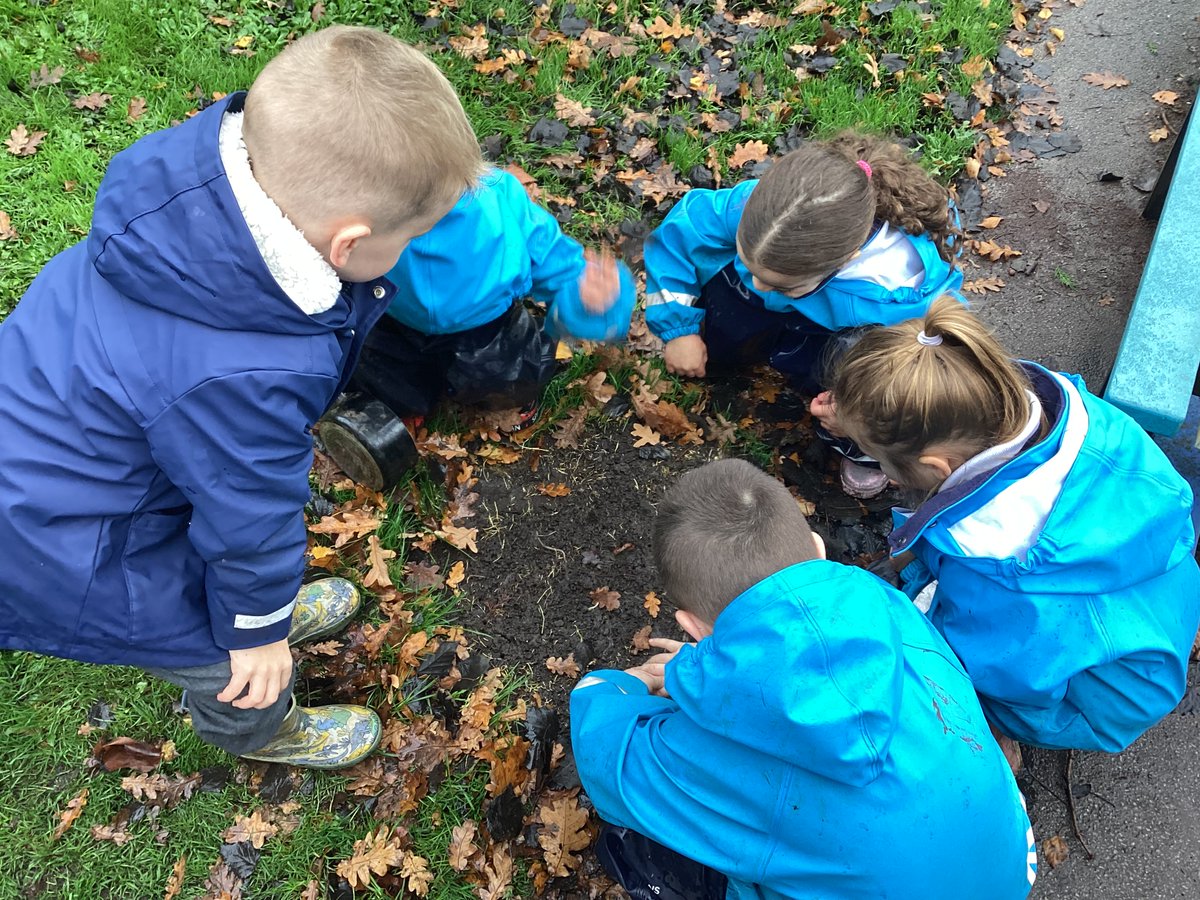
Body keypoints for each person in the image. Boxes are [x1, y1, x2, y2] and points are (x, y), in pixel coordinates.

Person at [0, 26, 484, 768]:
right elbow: (247, 514)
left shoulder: (206, 196)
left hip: (70, 450)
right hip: (70, 545)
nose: (410, 252)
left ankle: (260, 620)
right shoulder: (244, 372)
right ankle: (259, 729)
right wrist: (256, 629)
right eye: (409, 238)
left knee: (226, 580)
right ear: (346, 246)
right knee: (218, 654)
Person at [571, 459, 1037, 900]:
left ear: (691, 626)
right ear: (817, 548)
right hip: (1008, 869)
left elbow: (604, 754)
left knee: (639, 844)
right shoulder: (888, 608)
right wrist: (710, 669)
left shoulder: (708, 753)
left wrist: (621, 686)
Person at [818, 297, 1200, 755]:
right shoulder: (1049, 411)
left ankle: (996, 737)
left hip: (1108, 696)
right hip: (1151, 600)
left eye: (876, 457)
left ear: (936, 465)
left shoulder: (1004, 572)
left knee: (933, 661)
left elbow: (1013, 670)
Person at [642, 132, 963, 498]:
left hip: (845, 334)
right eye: (751, 266)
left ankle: (858, 447)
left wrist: (853, 412)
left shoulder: (902, 298)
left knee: (859, 385)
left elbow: (921, 377)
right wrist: (678, 327)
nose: (758, 284)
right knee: (735, 298)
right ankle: (724, 345)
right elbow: (680, 235)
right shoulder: (771, 215)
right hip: (794, 309)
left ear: (846, 260)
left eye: (780, 283)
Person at [321, 166, 635, 488]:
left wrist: (591, 298)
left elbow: (560, 264)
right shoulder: (363, 205)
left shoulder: (499, 197)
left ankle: (522, 380)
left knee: (506, 376)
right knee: (378, 370)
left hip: (485, 326)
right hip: (393, 316)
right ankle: (403, 403)